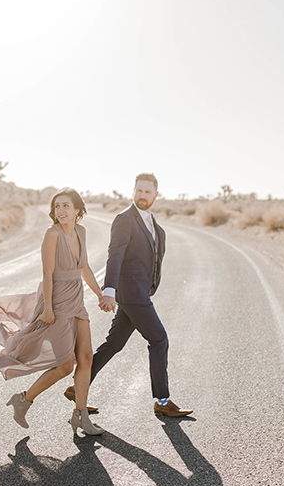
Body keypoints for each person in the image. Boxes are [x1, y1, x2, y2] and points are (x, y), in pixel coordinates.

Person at [0, 188, 107, 436]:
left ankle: (81, 416)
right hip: (56, 302)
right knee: (65, 365)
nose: (61, 211)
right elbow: (47, 274)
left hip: (77, 300)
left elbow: (85, 267)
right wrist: (47, 308)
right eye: (57, 207)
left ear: (78, 209)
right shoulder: (52, 234)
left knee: (86, 357)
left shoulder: (81, 231)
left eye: (66, 206)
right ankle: (24, 399)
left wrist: (100, 294)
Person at [66, 173, 192, 417]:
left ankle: (77, 387)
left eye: (147, 192)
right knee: (159, 340)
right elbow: (115, 254)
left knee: (115, 343)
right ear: (133, 192)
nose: (142, 195)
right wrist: (109, 290)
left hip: (139, 291)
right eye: (139, 190)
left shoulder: (156, 227)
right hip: (132, 294)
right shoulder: (124, 219)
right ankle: (163, 401)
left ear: (156, 195)